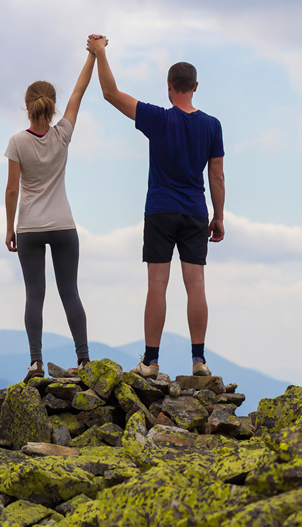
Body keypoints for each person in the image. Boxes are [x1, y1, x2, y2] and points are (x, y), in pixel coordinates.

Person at [86, 35, 225, 378]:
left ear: (168, 86)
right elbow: (217, 177)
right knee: (196, 285)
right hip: (195, 210)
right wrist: (218, 217)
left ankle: (150, 361)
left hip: (160, 209)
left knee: (157, 284)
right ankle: (198, 360)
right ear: (195, 86)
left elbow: (110, 93)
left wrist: (101, 53)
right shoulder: (212, 126)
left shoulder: (158, 119)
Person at [5, 46, 100, 383]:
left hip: (30, 227)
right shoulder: (62, 134)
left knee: (35, 295)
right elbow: (79, 90)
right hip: (63, 225)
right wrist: (94, 55)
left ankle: (35, 363)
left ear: (27, 106)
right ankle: (85, 359)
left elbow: (13, 190)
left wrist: (9, 228)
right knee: (70, 292)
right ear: (52, 105)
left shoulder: (18, 142)